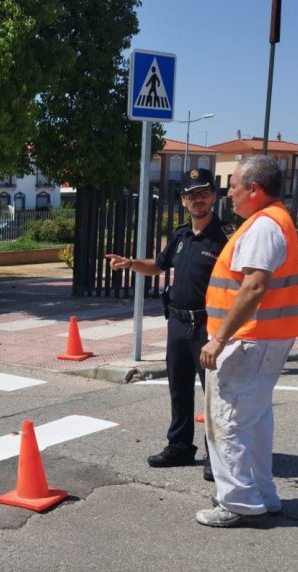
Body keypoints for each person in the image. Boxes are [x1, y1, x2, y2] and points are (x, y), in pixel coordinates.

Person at [195, 155, 298, 527]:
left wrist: (219, 338)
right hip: (264, 339)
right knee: (254, 421)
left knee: (227, 421)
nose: (230, 193)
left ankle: (237, 501)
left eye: (235, 185)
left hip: (247, 341)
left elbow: (254, 285)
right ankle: (261, 494)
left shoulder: (262, 227)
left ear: (254, 189)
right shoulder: (273, 221)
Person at [105, 168, 229, 481]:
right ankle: (180, 446)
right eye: (191, 195)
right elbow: (159, 266)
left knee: (214, 393)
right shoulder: (180, 235)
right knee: (179, 388)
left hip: (208, 325)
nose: (197, 199)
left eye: (202, 193)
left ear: (213, 196)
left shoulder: (226, 236)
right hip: (177, 322)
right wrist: (131, 263)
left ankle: (217, 455)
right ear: (183, 200)